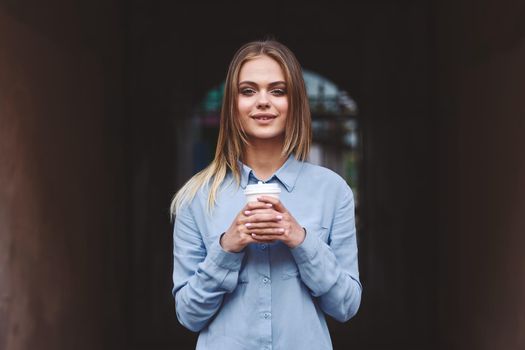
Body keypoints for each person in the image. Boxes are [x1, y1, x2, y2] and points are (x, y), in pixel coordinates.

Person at [171, 39, 362, 350]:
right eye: (248, 91)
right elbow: (189, 314)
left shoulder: (333, 192)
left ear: (295, 101)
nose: (263, 101)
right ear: (232, 104)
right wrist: (226, 247)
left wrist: (301, 240)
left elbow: (345, 306)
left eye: (277, 90)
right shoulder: (196, 198)